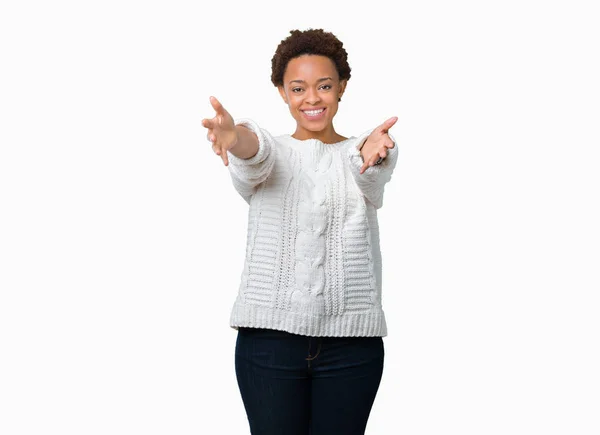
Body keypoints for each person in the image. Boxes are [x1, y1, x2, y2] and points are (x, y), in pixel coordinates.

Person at [202, 28, 399, 435]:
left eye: (324, 85)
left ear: (342, 87)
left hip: (351, 345)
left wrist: (371, 155)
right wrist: (233, 137)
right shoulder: (271, 154)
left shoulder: (360, 151)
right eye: (298, 88)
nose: (312, 98)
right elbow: (252, 152)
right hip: (269, 342)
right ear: (282, 92)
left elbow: (371, 171)